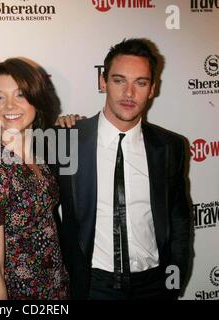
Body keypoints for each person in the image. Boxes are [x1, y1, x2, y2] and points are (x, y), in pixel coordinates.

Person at [56, 38, 192, 299]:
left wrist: (174, 282)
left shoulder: (171, 147)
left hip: (154, 285)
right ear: (103, 82)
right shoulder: (67, 140)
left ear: (152, 89)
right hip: (92, 286)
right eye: (119, 80)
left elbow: (179, 220)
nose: (129, 93)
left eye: (140, 83)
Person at [0, 58, 69, 300]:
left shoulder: (39, 154)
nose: (9, 106)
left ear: (36, 98)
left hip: (56, 288)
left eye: (20, 95)